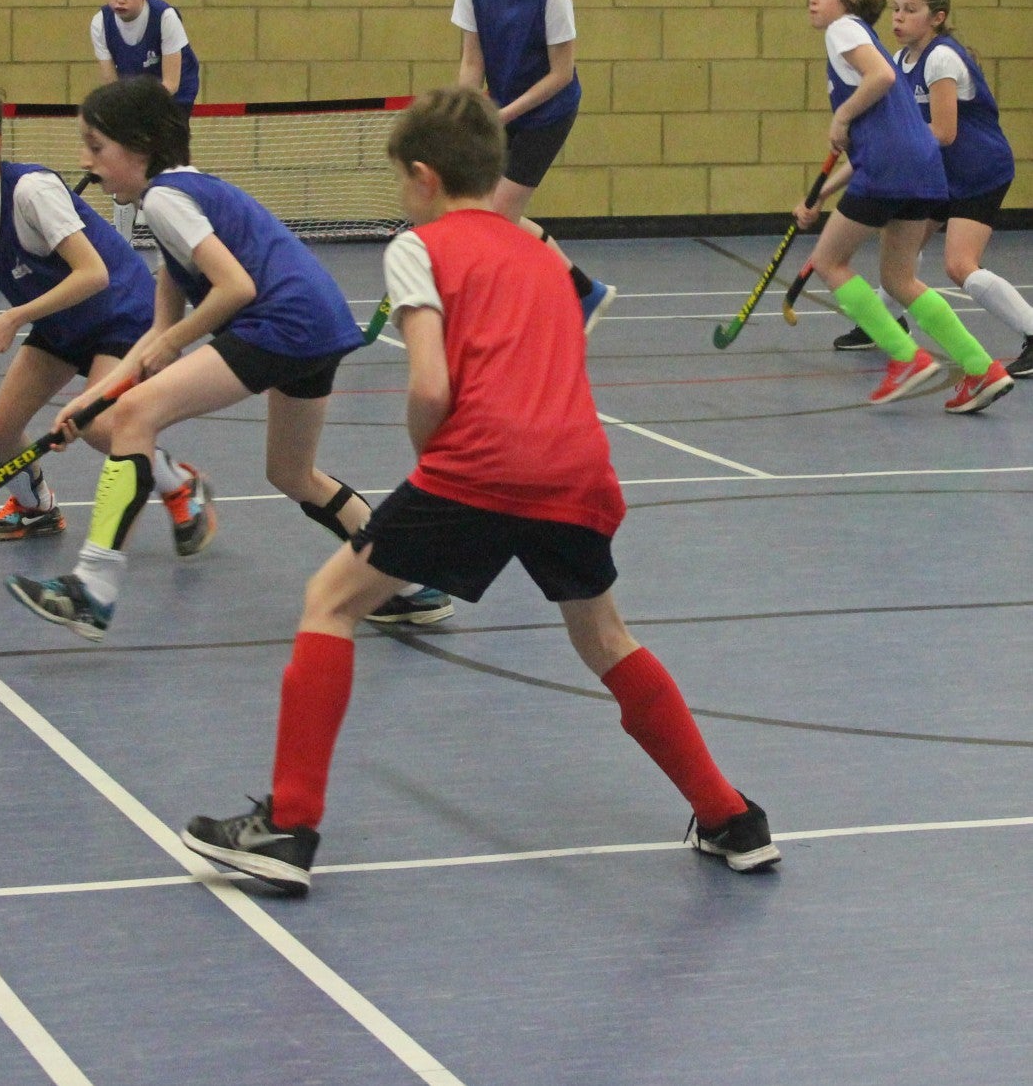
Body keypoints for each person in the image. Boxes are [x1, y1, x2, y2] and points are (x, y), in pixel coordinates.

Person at [181, 87, 779, 895]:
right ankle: (729, 817)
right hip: (578, 466)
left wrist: (435, 461)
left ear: (423, 178)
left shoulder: (417, 248)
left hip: (481, 462)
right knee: (604, 636)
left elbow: (430, 383)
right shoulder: (542, 255)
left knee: (330, 600)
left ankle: (289, 824)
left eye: (399, 181)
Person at [6, 77, 453, 641]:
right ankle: (411, 585)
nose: (86, 162)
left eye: (96, 147)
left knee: (137, 418)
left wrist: (170, 348)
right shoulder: (174, 199)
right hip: (317, 322)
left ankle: (93, 589)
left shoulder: (167, 198)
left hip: (283, 322)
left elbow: (234, 288)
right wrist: (93, 399)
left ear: (139, 146)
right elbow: (159, 330)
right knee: (291, 473)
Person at [0, 80, 213, 551]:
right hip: (62, 323)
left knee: (101, 427)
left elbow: (92, 274)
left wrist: (15, 318)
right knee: (0, 429)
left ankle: (178, 483)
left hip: (122, 315)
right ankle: (37, 510)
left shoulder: (32, 191)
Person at [795, 0, 1011, 413]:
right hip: (924, 169)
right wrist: (822, 194)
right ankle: (981, 366)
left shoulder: (843, 31)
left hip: (892, 168)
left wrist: (843, 113)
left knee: (829, 261)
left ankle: (905, 357)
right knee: (898, 278)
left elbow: (882, 77)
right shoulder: (866, 38)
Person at [453, 0, 616, 333]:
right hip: (502, 107)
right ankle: (583, 290)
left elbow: (561, 74)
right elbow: (472, 60)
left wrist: (504, 115)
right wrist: (464, 114)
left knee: (495, 216)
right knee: (486, 210)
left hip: (547, 112)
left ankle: (509, 309)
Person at [891, 0, 1033, 379]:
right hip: (943, 172)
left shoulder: (941, 59)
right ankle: (883, 322)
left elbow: (943, 131)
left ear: (937, 17)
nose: (899, 18)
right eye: (896, 8)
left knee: (959, 264)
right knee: (901, 247)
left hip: (978, 170)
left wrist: (894, 148)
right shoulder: (900, 61)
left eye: (910, 10)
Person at [92, 0, 198, 239]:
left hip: (173, 94)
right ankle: (124, 240)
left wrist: (140, 120)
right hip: (133, 89)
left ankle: (177, 242)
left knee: (169, 167)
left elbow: (171, 83)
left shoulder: (166, 19)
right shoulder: (100, 23)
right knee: (124, 164)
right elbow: (111, 87)